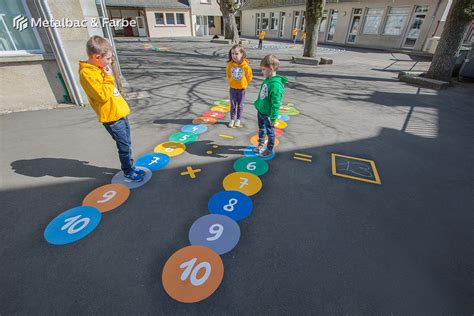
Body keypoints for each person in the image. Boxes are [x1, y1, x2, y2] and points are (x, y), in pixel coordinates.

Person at [79, 35, 144, 182]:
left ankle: (130, 166)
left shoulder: (99, 67)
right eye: (108, 58)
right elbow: (102, 95)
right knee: (124, 146)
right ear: (97, 57)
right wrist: (109, 77)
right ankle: (128, 171)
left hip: (120, 114)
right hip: (112, 119)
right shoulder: (87, 73)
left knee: (127, 143)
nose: (110, 61)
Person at [253, 54, 288, 157]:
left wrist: (273, 118)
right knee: (261, 129)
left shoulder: (275, 85)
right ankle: (261, 143)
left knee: (270, 132)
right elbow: (263, 95)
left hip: (268, 114)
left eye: (263, 69)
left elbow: (276, 103)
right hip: (261, 111)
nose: (262, 72)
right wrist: (258, 104)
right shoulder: (267, 79)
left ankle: (269, 148)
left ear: (271, 68)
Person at [226, 44, 253, 128]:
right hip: (232, 88)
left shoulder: (245, 66)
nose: (234, 55)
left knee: (240, 105)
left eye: (236, 53)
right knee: (233, 105)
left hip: (241, 89)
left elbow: (249, 76)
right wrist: (232, 82)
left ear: (242, 54)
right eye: (232, 53)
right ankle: (232, 119)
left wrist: (244, 83)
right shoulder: (230, 65)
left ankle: (238, 119)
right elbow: (229, 74)